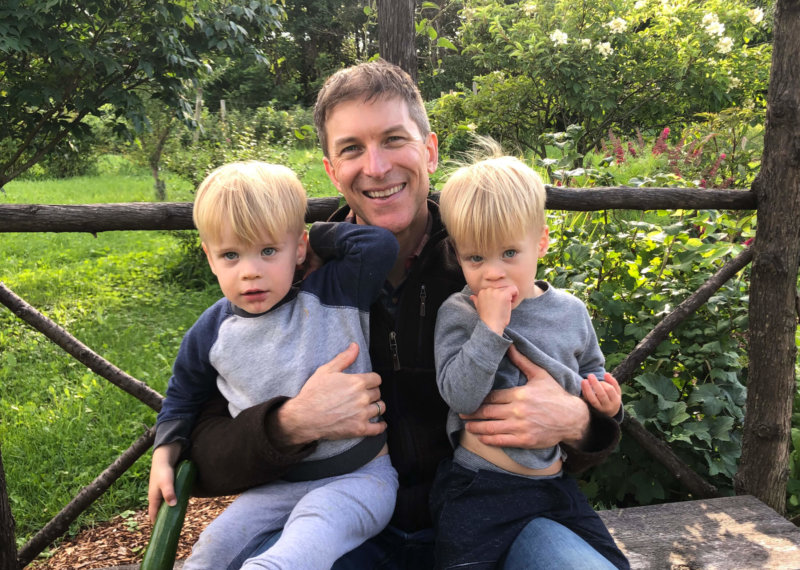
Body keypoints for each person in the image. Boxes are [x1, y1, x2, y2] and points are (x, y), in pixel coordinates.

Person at [153, 60, 623, 569]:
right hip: (340, 529)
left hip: (503, 518)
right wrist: (289, 423)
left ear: (430, 150)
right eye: (352, 148)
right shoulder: (283, 281)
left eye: (394, 139)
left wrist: (581, 422)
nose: (376, 167)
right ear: (331, 169)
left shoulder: (493, 260)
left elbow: (588, 390)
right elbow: (202, 449)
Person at [148, 160, 400, 568]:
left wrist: (313, 240)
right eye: (230, 255)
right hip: (273, 486)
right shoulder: (211, 330)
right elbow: (182, 398)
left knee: (300, 543)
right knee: (211, 550)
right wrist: (164, 455)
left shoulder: (333, 289)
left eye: (268, 251)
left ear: (298, 248)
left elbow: (379, 246)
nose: (251, 273)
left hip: (360, 479)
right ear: (209, 256)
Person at [430, 150, 628, 569]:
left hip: (554, 485)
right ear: (457, 253)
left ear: (540, 241)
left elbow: (591, 370)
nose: (493, 273)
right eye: (475, 258)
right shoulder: (460, 312)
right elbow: (460, 397)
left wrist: (606, 403)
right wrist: (489, 329)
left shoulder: (570, 310)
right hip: (479, 488)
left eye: (509, 254)